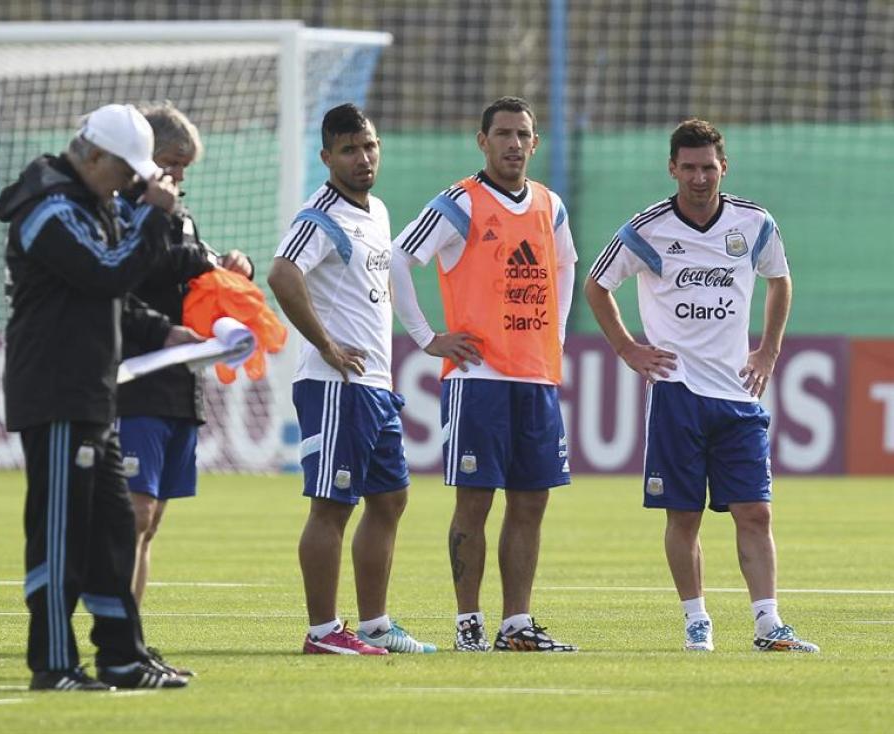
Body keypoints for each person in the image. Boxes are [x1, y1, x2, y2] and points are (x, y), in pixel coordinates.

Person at [584, 118, 819, 653]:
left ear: (723, 168)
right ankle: (696, 620)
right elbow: (597, 285)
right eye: (687, 167)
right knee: (684, 515)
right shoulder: (647, 230)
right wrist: (626, 347)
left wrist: (768, 350)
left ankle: (768, 623)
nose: (698, 177)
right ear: (672, 169)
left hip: (738, 393)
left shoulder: (753, 223)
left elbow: (780, 279)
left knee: (755, 511)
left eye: (707, 167)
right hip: (677, 392)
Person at [0, 103, 194, 690]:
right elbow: (106, 273)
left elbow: (110, 296)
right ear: (91, 154)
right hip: (58, 393)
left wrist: (163, 331)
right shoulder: (48, 209)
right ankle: (55, 664)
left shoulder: (87, 204)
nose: (132, 182)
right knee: (61, 535)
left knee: (111, 531)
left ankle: (121, 658)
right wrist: (156, 220)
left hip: (93, 392)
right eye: (125, 169)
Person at [390, 96, 577, 652]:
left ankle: (516, 625)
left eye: (523, 134)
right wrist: (427, 338)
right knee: (476, 500)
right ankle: (468, 624)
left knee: (531, 500)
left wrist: (558, 334)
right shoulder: (460, 203)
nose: (513, 144)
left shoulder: (550, 204)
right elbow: (400, 258)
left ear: (535, 142)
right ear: (482, 141)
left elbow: (567, 264)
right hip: (479, 379)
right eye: (502, 134)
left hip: (536, 375)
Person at [267, 103, 435, 655]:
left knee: (390, 499)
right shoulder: (319, 217)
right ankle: (322, 633)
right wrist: (327, 345)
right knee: (332, 505)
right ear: (327, 157)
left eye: (370, 146)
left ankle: (375, 624)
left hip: (376, 386)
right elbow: (282, 273)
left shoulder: (378, 211)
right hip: (335, 384)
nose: (363, 159)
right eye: (349, 150)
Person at [116, 103, 254, 676]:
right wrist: (200, 262)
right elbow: (131, 276)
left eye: (184, 166)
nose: (180, 175)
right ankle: (115, 639)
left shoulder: (181, 216)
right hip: (137, 377)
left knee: (152, 523)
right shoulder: (121, 212)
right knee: (135, 513)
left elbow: (189, 268)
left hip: (180, 380)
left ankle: (132, 642)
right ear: (144, 156)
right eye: (173, 162)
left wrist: (229, 267)